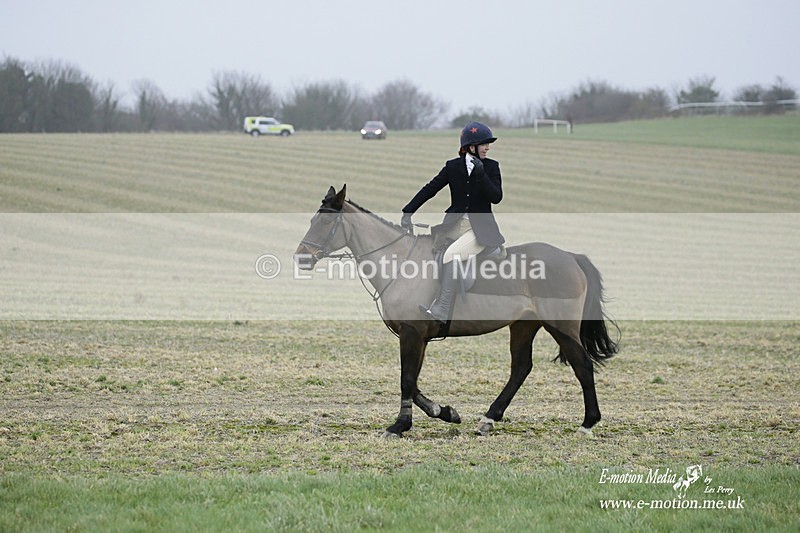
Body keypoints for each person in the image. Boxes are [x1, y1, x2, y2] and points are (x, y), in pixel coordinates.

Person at [401, 121, 506, 324]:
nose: (488, 147)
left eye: (488, 144)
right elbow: (430, 189)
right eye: (484, 144)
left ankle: (442, 308)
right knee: (426, 253)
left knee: (452, 255)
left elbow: (496, 197)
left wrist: (481, 174)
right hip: (453, 228)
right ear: (470, 147)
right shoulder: (453, 166)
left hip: (480, 230)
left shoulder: (492, 167)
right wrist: (408, 211)